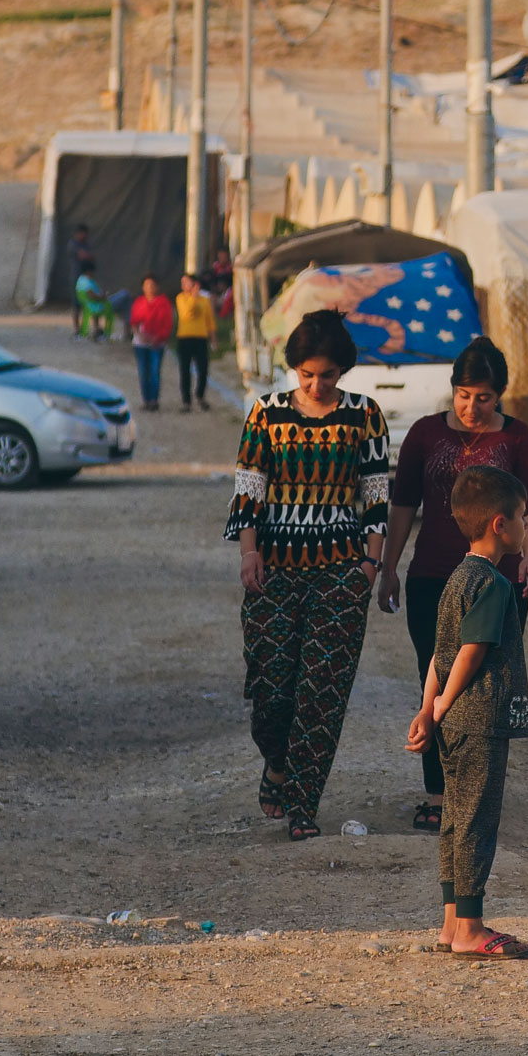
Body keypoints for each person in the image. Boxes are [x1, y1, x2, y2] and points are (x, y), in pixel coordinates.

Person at [226, 309, 390, 842]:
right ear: (294, 368)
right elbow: (249, 486)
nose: (317, 384)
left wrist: (370, 563)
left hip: (341, 572)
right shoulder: (266, 413)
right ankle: (277, 763)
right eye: (306, 373)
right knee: (272, 688)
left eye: (328, 374)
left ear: (343, 370)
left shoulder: (365, 415)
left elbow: (376, 495)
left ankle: (303, 804)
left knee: (322, 692)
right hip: (274, 569)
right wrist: (249, 554)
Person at [376, 336, 528, 833]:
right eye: (464, 394)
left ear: (501, 396)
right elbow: (403, 504)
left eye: (485, 397)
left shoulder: (517, 439)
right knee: (435, 678)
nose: (473, 406)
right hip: (433, 577)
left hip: (501, 583)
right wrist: (389, 566)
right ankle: (437, 793)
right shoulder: (426, 434)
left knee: (487, 684)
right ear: (452, 390)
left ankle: (477, 789)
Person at [404, 465, 528, 959]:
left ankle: (449, 924)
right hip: (479, 720)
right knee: (477, 819)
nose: (527, 525)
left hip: (452, 721)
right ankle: (471, 929)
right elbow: (469, 653)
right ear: (500, 524)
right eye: (522, 516)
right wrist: (439, 708)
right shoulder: (495, 585)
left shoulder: (456, 578)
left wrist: (428, 709)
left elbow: (440, 654)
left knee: (454, 818)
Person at [129, 274, 174, 411]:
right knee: (143, 372)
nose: (149, 288)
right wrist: (140, 335)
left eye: (152, 285)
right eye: (147, 285)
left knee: (154, 372)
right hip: (140, 343)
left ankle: (154, 400)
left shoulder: (163, 303)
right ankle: (146, 399)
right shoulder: (139, 302)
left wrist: (158, 337)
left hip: (157, 342)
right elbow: (134, 322)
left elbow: (167, 323)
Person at [175, 272, 217, 411]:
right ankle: (186, 401)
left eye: (186, 282)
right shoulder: (180, 298)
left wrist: (213, 338)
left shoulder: (204, 301)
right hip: (185, 338)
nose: (183, 285)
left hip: (200, 338)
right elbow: (186, 313)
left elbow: (209, 320)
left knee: (203, 369)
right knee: (185, 370)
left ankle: (200, 395)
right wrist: (193, 297)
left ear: (194, 284)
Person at [68, 225, 97, 334]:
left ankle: (95, 328)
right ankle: (77, 329)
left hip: (88, 276)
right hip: (76, 276)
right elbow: (83, 256)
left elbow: (92, 256)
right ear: (78, 233)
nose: (85, 236)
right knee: (76, 303)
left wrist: (88, 256)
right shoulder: (73, 244)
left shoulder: (86, 244)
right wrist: (88, 256)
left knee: (92, 302)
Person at [74, 269, 111, 341]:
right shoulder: (87, 283)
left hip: (88, 305)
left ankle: (96, 330)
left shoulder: (80, 280)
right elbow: (92, 296)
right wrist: (104, 296)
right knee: (110, 309)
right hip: (94, 305)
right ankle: (106, 332)